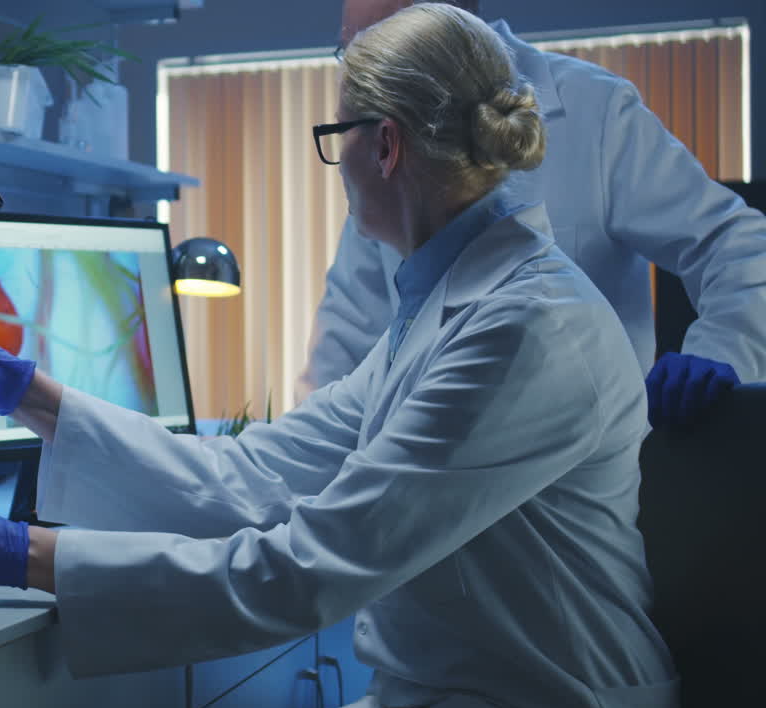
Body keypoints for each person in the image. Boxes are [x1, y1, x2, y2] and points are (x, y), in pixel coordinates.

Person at [0, 5, 676, 708]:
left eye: (335, 136)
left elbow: (300, 570)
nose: (337, 165)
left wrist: (13, 551)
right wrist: (22, 390)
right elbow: (255, 474)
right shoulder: (445, 308)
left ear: (384, 147)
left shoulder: (524, 329)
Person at [299, 0, 766, 430]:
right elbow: (341, 354)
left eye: (390, 49)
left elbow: (736, 246)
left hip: (581, 462)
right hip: (438, 471)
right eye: (354, 53)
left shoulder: (592, 109)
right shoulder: (386, 155)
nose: (367, 80)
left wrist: (721, 356)